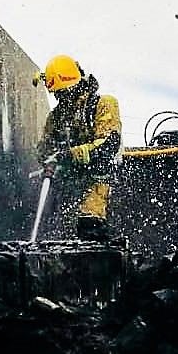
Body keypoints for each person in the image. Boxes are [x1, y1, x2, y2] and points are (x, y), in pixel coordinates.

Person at [33, 55, 122, 240]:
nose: (61, 98)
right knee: (60, 237)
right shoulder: (56, 117)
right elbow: (45, 150)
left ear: (75, 86)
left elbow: (107, 145)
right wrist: (48, 160)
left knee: (89, 228)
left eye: (64, 93)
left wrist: (69, 155)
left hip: (99, 183)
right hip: (69, 188)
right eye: (57, 94)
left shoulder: (102, 105)